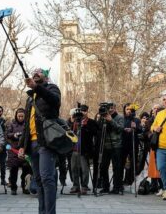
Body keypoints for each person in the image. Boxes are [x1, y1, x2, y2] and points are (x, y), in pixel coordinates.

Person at [19, 68, 61, 214]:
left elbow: (55, 101)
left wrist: (37, 87)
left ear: (46, 77)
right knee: (38, 180)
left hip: (46, 142)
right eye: (34, 72)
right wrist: (22, 146)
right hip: (32, 144)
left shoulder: (52, 88)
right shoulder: (30, 98)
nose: (36, 73)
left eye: (39, 72)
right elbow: (26, 125)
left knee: (47, 179)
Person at [69, 104, 98, 195]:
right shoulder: (74, 121)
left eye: (85, 111)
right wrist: (73, 122)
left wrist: (84, 127)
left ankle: (84, 186)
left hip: (85, 149)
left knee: (85, 169)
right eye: (81, 111)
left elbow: (96, 132)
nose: (83, 113)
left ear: (87, 112)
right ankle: (75, 186)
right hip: (74, 149)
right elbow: (68, 132)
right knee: (74, 168)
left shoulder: (91, 122)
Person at [98, 103, 125, 194]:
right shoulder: (102, 117)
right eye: (108, 108)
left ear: (115, 108)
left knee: (116, 167)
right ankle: (105, 187)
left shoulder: (119, 117)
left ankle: (117, 187)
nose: (110, 110)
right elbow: (99, 129)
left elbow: (120, 129)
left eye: (112, 108)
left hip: (116, 145)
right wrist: (101, 119)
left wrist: (111, 120)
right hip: (105, 146)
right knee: (103, 167)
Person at [6, 108, 32, 195]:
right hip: (14, 150)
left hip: (25, 150)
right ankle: (13, 188)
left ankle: (25, 187)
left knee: (26, 170)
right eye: (19, 116)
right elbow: (7, 134)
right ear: (16, 116)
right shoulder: (12, 124)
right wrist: (14, 135)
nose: (20, 118)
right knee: (13, 171)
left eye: (22, 116)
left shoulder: (28, 124)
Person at [121, 103, 141, 187]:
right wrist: (124, 129)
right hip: (123, 143)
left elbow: (140, 130)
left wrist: (135, 128)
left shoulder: (136, 120)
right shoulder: (121, 119)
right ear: (124, 110)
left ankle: (131, 180)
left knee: (133, 162)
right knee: (121, 162)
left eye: (130, 109)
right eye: (127, 109)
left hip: (133, 143)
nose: (128, 111)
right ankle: (120, 180)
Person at [0, 105, 8, 186]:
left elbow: (6, 133)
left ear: (2, 112)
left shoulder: (5, 121)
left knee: (3, 164)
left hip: (2, 144)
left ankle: (3, 179)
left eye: (0, 111)